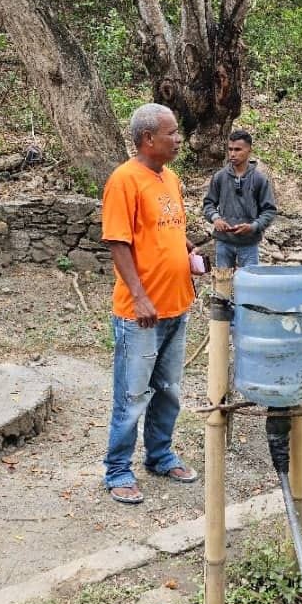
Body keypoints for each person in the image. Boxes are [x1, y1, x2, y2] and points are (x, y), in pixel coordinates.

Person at [101, 103, 204, 504]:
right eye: (172, 133)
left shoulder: (171, 178)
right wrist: (140, 297)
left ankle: (160, 456)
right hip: (140, 314)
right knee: (131, 396)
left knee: (169, 390)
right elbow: (118, 242)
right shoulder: (124, 181)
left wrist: (187, 248)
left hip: (177, 304)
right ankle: (118, 471)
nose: (179, 140)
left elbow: (169, 230)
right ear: (148, 139)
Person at [202, 130, 278, 268]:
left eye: (237, 149)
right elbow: (208, 204)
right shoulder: (220, 177)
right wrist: (215, 218)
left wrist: (253, 226)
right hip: (223, 242)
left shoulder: (259, 179)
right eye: (230, 149)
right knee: (223, 285)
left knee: (249, 285)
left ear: (249, 150)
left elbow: (269, 210)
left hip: (249, 244)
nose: (232, 154)